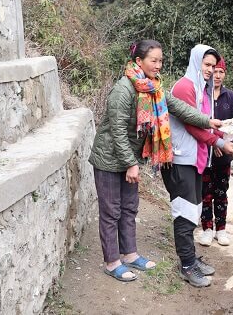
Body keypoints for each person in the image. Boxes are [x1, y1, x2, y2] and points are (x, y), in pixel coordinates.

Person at [88, 39, 222, 283]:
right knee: (111, 211)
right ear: (139, 61)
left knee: (129, 208)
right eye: (154, 60)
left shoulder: (153, 88)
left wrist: (207, 121)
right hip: (109, 158)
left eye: (161, 60)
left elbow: (179, 107)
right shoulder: (123, 90)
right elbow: (117, 131)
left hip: (129, 158)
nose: (158, 65)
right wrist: (130, 163)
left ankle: (130, 254)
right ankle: (112, 262)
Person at [163, 44, 233, 288]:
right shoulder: (185, 87)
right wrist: (218, 142)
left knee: (193, 211)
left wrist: (225, 137)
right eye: (206, 64)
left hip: (195, 159)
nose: (210, 70)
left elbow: (207, 124)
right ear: (196, 61)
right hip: (180, 159)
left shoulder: (202, 89)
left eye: (213, 66)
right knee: (184, 213)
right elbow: (192, 124)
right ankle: (186, 265)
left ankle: (191, 258)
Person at [198, 57, 233, 247]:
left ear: (225, 74)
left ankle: (221, 229)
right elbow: (199, 123)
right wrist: (214, 143)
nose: (217, 75)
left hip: (224, 155)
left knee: (221, 193)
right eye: (214, 71)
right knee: (205, 193)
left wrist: (222, 143)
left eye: (221, 71)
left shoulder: (230, 97)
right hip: (204, 153)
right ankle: (207, 228)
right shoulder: (201, 95)